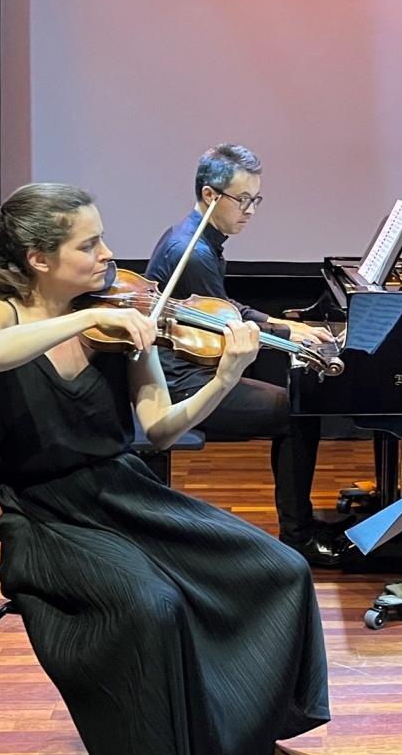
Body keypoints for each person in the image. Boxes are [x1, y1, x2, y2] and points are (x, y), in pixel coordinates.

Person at [0, 183, 329, 755]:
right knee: (153, 607)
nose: (109, 254)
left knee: (280, 569)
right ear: (40, 260)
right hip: (45, 517)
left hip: (126, 493)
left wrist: (226, 376)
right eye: (91, 243)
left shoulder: (124, 319)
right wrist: (90, 316)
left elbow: (159, 428)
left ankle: (237, 739)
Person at [145, 144, 356, 566]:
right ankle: (298, 537)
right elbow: (224, 329)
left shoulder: (196, 238)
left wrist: (285, 324)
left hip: (191, 368)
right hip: (182, 379)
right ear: (210, 195)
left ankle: (302, 527)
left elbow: (223, 307)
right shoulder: (195, 252)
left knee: (295, 402)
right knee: (297, 414)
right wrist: (288, 336)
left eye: (255, 200)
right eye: (243, 200)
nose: (251, 210)